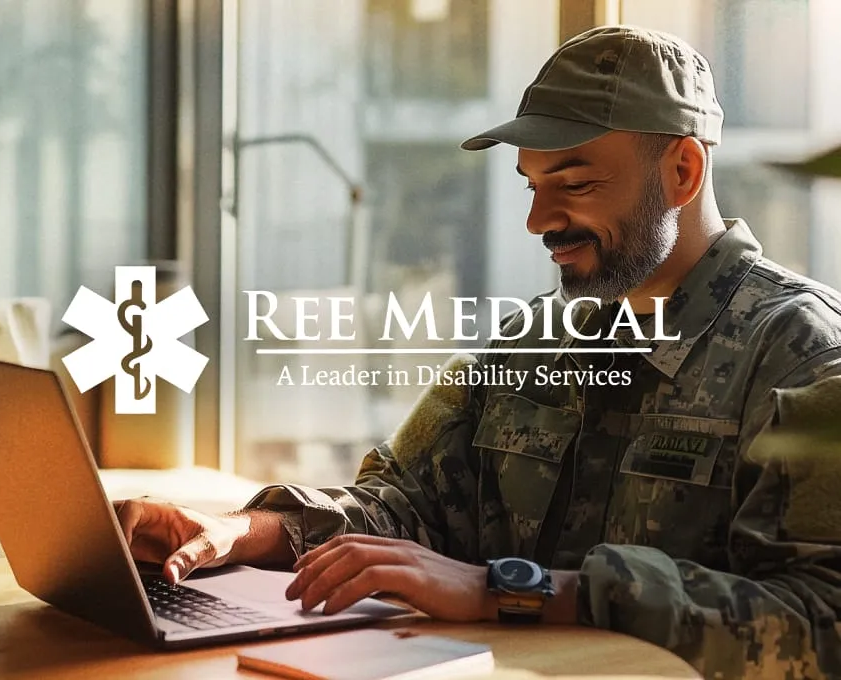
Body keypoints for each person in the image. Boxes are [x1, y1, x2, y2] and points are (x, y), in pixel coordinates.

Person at [115, 25, 841, 679]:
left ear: (682, 171)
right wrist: (237, 532)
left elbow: (822, 621)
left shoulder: (806, 357)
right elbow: (406, 506)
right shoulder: (527, 339)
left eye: (575, 183)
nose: (538, 220)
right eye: (531, 183)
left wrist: (509, 590)